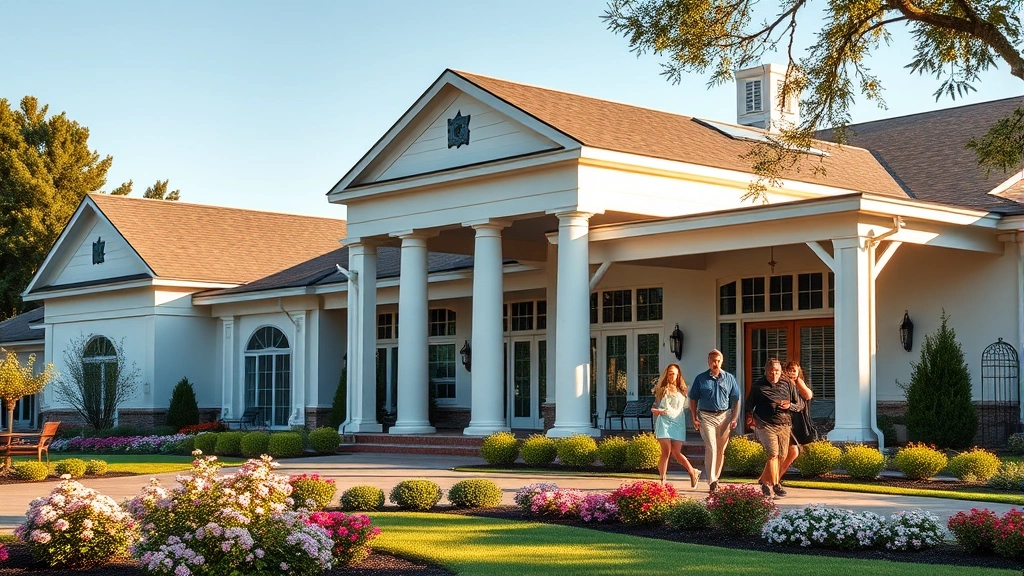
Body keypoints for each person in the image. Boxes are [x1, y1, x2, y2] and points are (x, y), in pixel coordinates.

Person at [745, 358, 804, 498]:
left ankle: (765, 482)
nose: (774, 375)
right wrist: (751, 418)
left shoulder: (788, 384)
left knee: (783, 455)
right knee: (773, 453)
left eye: (777, 371)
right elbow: (748, 405)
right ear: (765, 372)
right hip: (765, 424)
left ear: (781, 371)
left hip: (784, 424)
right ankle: (776, 484)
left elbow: (800, 404)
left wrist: (790, 406)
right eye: (771, 372)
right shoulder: (758, 386)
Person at [688, 349, 740, 493]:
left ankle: (715, 479)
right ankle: (711, 480)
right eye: (712, 361)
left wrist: (735, 418)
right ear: (708, 362)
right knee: (711, 446)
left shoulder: (729, 378)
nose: (715, 363)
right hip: (706, 416)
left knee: (720, 450)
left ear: (721, 361)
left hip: (725, 416)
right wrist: (694, 417)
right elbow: (693, 399)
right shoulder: (701, 379)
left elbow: (736, 399)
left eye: (717, 361)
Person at [651, 364, 701, 487]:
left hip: (678, 422)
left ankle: (692, 471)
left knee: (676, 452)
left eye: (673, 373)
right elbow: (654, 406)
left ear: (678, 374)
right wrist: (656, 411)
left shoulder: (683, 390)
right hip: (664, 421)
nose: (671, 376)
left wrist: (695, 419)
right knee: (666, 451)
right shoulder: (661, 389)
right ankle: (662, 481)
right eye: (669, 373)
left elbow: (688, 407)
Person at [779, 361, 814, 482]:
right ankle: (774, 478)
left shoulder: (799, 384)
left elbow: (808, 395)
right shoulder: (783, 384)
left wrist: (798, 381)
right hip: (785, 421)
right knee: (791, 451)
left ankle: (775, 477)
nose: (792, 373)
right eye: (790, 370)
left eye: (794, 370)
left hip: (798, 422)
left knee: (792, 452)